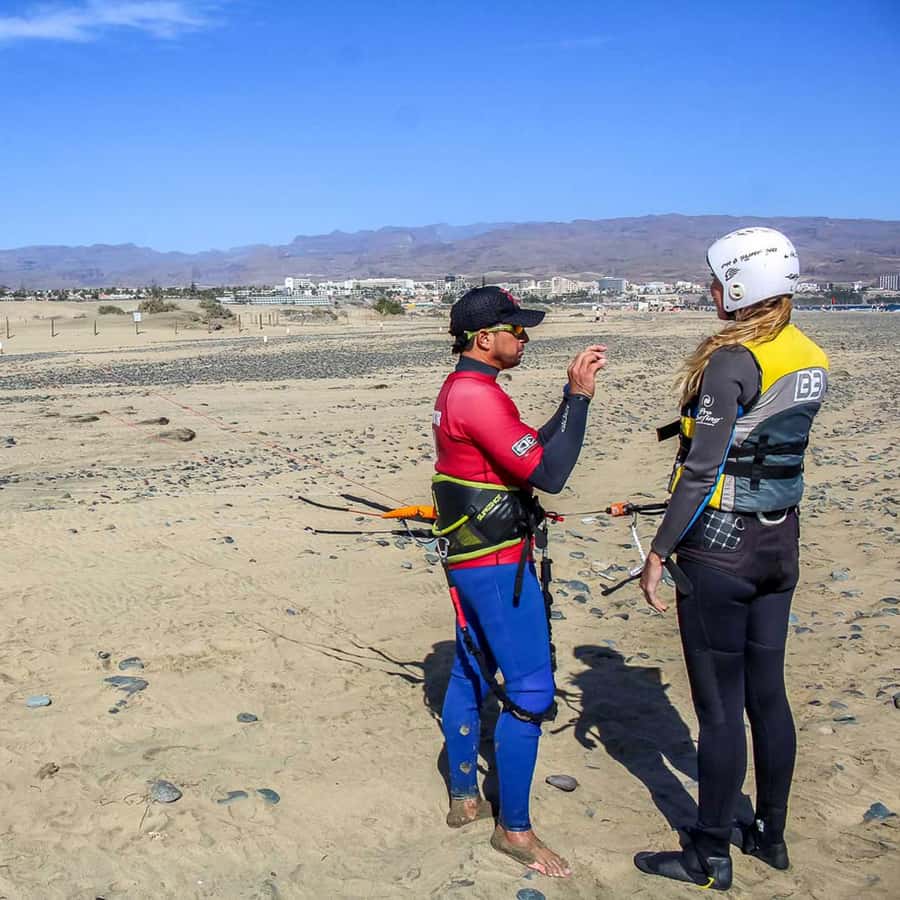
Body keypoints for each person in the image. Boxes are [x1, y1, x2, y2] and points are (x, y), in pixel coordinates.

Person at [635, 227, 829, 890]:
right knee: (768, 696)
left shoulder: (731, 361)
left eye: (717, 281)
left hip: (721, 549)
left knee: (720, 710)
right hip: (780, 543)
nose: (710, 290)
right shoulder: (809, 355)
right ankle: (770, 835)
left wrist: (659, 551)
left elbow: (701, 469)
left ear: (742, 286)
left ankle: (709, 853)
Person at [432, 286, 606, 878]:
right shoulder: (477, 397)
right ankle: (514, 830)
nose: (525, 338)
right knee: (531, 693)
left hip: (472, 559)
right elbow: (550, 473)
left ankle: (464, 797)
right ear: (485, 338)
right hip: (496, 565)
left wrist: (567, 400)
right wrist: (580, 401)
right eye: (517, 329)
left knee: (470, 668)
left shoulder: (466, 389)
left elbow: (526, 450)